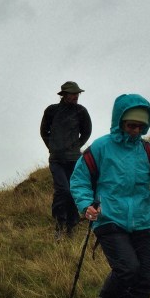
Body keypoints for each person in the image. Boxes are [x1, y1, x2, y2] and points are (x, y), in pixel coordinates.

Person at [69, 94, 150, 298]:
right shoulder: (100, 147)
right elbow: (79, 179)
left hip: (144, 223)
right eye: (131, 125)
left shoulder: (148, 150)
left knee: (144, 280)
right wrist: (86, 205)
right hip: (109, 219)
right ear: (119, 121)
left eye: (140, 126)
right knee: (128, 269)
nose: (136, 130)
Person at [40, 81, 93, 239]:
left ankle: (72, 225)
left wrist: (76, 146)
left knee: (73, 191)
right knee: (62, 190)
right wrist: (52, 146)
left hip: (74, 159)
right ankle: (59, 224)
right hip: (56, 159)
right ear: (64, 95)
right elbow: (43, 131)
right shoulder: (51, 110)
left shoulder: (81, 111)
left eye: (77, 93)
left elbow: (87, 131)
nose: (76, 96)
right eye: (72, 93)